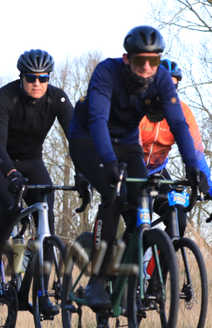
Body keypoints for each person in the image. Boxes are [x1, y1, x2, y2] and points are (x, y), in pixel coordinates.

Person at [69, 26, 203, 310]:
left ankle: (126, 274)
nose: (146, 67)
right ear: (126, 58)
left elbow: (179, 124)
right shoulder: (107, 73)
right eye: (140, 60)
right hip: (89, 139)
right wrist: (108, 161)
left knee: (140, 202)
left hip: (127, 141)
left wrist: (195, 169)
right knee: (113, 194)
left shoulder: (161, 79)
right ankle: (97, 280)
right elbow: (97, 120)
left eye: (153, 61)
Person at [0, 49, 73, 313]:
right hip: (0, 160)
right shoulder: (6, 96)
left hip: (33, 161)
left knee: (47, 223)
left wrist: (84, 173)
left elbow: (77, 138)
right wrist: (10, 173)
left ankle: (42, 293)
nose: (37, 83)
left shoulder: (57, 98)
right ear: (21, 77)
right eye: (31, 78)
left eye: (43, 78)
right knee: (9, 208)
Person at [139, 58, 212, 237]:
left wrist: (208, 186)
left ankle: (165, 254)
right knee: (137, 221)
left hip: (157, 171)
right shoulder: (140, 107)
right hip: (131, 169)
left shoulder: (183, 111)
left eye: (174, 85)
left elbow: (195, 151)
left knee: (178, 218)